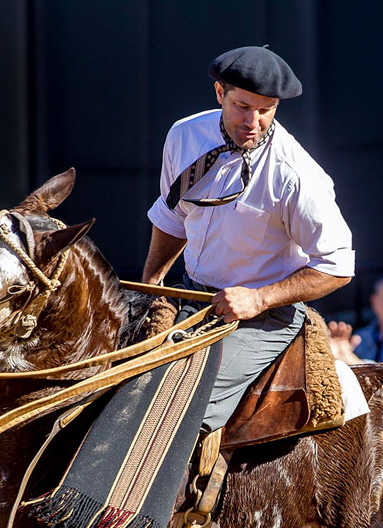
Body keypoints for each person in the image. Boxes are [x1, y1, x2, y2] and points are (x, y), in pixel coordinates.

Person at [143, 44, 354, 431]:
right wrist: (152, 284)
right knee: (122, 379)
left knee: (181, 406)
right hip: (195, 296)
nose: (253, 121)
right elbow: (173, 214)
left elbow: (338, 266)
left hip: (265, 318)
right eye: (242, 106)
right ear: (220, 93)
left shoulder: (296, 175)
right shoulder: (183, 136)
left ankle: (199, 488)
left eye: (266, 109)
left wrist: (258, 298)